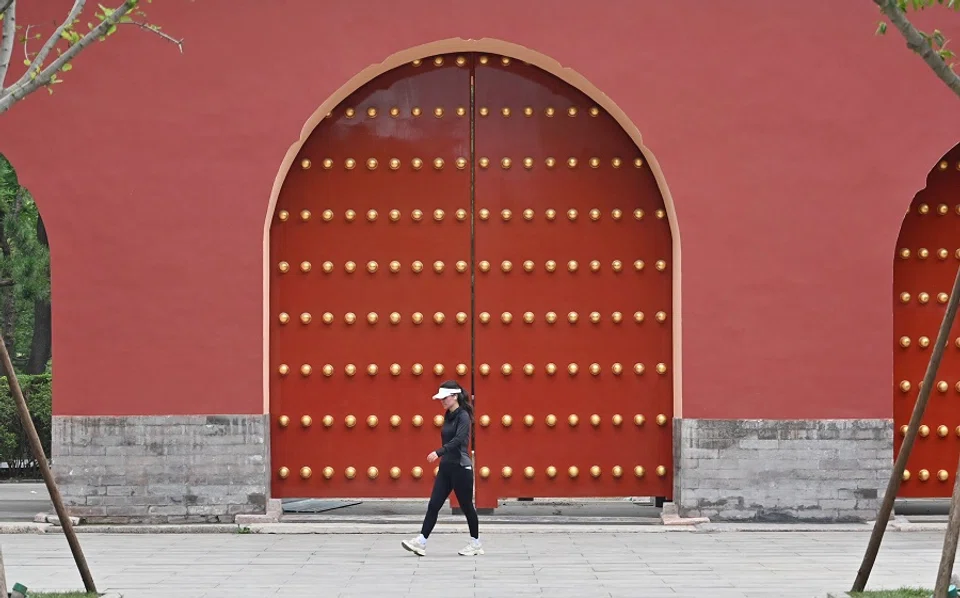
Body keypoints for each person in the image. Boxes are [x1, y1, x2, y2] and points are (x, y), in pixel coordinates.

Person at [401, 379, 483, 557]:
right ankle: (421, 541)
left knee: (467, 506)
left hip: (461, 467)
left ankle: (476, 543)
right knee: (434, 504)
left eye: (445, 398)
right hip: (446, 467)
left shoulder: (463, 416)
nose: (442, 401)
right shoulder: (448, 415)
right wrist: (443, 456)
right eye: (441, 398)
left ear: (454, 396)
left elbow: (459, 440)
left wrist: (439, 452)